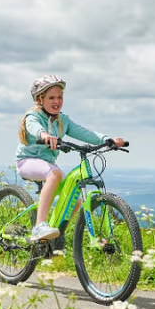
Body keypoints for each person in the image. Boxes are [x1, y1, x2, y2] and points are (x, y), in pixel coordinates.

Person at [16, 75, 127, 242]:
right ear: (40, 99)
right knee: (56, 173)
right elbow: (34, 127)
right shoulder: (34, 116)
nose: (57, 101)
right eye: (51, 97)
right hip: (27, 162)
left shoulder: (63, 120)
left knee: (74, 200)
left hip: (47, 165)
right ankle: (39, 226)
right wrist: (45, 135)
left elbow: (84, 133)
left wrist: (107, 140)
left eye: (60, 97)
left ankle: (54, 237)